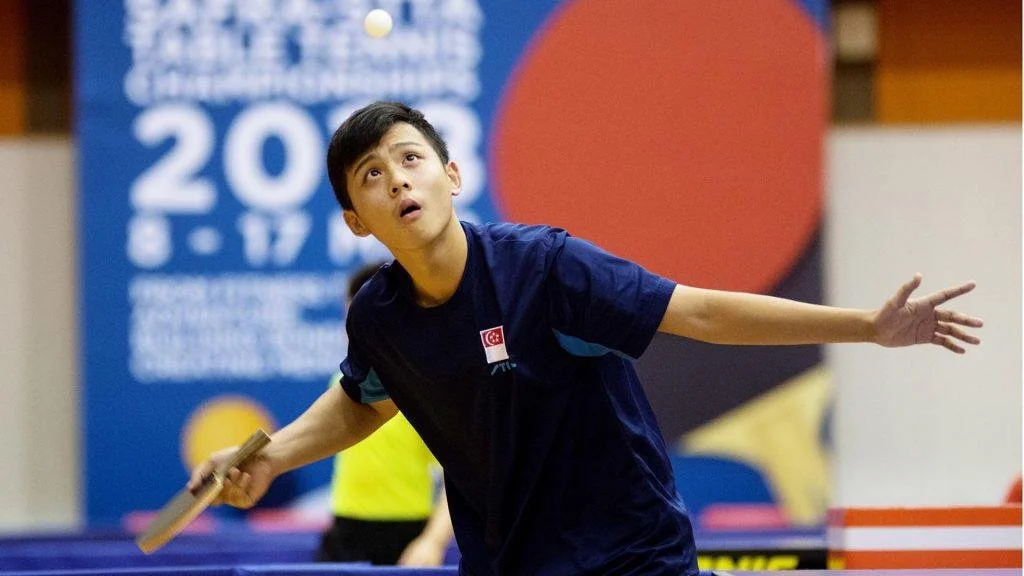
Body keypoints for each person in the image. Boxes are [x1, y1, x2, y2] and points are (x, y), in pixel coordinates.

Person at [191, 101, 983, 576]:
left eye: (409, 158)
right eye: (371, 174)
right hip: (509, 563)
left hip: (628, 554)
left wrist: (868, 329)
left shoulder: (547, 269)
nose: (397, 178)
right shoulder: (380, 317)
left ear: (452, 176)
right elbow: (364, 398)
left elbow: (699, 313)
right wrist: (271, 455)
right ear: (354, 221)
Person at [317, 261, 454, 566]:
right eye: (349, 323)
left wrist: (431, 541)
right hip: (346, 531)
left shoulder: (429, 392)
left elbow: (458, 479)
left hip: (407, 536)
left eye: (366, 324)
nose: (355, 334)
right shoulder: (340, 384)